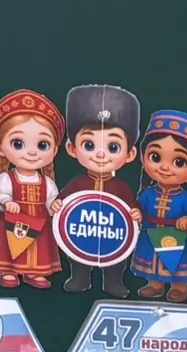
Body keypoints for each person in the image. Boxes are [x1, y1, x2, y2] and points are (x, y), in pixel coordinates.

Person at [58, 84, 142, 296]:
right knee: (77, 256)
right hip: (80, 235)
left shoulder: (120, 187)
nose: (101, 154)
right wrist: (56, 205)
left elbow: (131, 205)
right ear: (72, 149)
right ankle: (79, 277)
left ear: (130, 154)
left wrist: (136, 213)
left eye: (113, 147)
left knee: (116, 260)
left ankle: (113, 282)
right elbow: (63, 202)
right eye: (89, 145)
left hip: (114, 237)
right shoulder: (77, 183)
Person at [0, 89, 65, 289]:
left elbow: (51, 199)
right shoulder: (6, 178)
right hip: (12, 220)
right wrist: (5, 201)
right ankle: (8, 270)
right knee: (8, 245)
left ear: (54, 150)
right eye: (18, 144)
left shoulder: (47, 182)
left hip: (40, 221)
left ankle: (35, 272)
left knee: (38, 247)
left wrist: (54, 206)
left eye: (42, 145)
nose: (31, 152)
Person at [131, 110, 187, 300]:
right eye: (156, 157)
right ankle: (155, 285)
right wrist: (137, 214)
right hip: (150, 235)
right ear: (143, 157)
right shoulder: (148, 194)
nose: (165, 167)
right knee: (153, 262)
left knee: (178, 264)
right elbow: (139, 207)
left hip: (178, 238)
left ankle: (179, 288)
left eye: (179, 162)